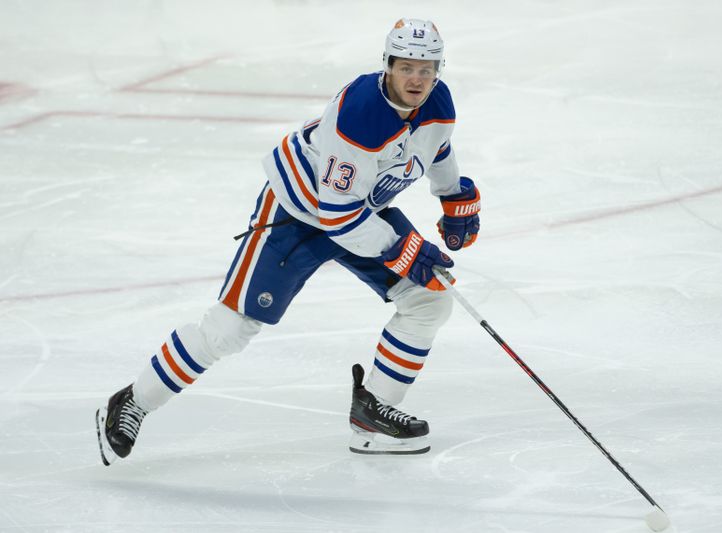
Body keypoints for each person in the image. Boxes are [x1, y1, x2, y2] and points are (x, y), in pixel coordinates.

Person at [95, 17, 481, 462]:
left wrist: (453, 194)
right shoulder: (360, 114)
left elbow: (436, 147)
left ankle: (373, 413)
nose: (418, 77)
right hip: (297, 215)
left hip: (361, 211)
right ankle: (132, 401)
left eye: (427, 67)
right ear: (388, 66)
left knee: (429, 299)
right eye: (407, 66)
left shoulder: (439, 101)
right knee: (229, 330)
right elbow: (336, 216)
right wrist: (402, 249)